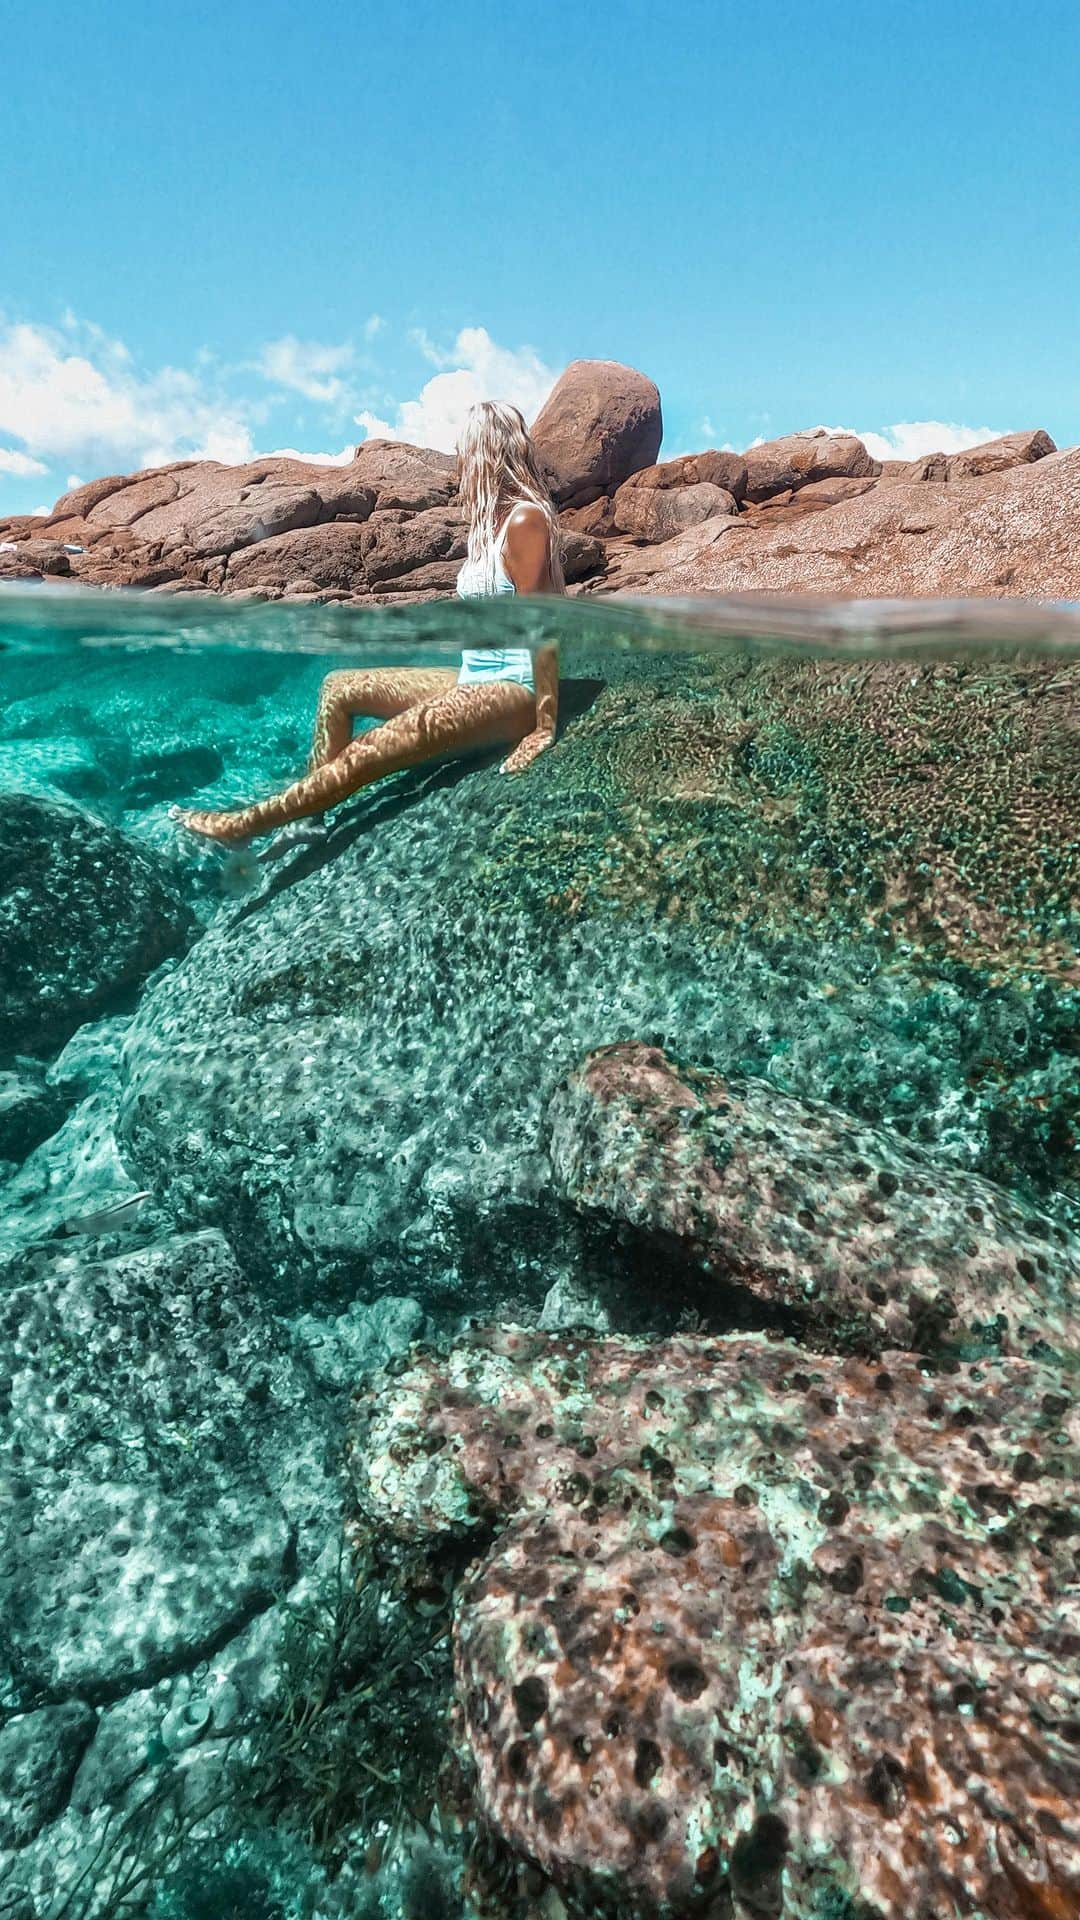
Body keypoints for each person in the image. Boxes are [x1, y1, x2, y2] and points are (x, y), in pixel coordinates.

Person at [170, 400, 564, 844]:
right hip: (473, 680)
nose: (459, 464)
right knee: (339, 687)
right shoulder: (484, 526)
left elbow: (542, 624)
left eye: (464, 451)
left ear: (486, 452)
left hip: (515, 690)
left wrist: (544, 727)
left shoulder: (524, 520)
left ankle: (240, 827)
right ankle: (308, 818)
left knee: (365, 751)